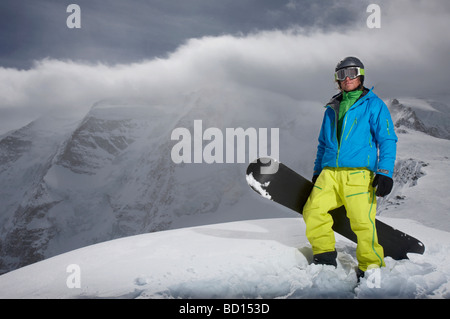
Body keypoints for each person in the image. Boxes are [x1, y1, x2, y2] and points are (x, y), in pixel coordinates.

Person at [302, 56, 397, 279]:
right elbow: (323, 144)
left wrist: (385, 172)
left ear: (361, 75)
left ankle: (370, 266)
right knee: (312, 211)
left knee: (362, 222)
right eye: (341, 74)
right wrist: (317, 171)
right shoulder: (331, 108)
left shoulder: (374, 105)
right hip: (329, 174)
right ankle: (324, 257)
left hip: (358, 174)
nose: (347, 78)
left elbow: (387, 139)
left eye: (352, 72)